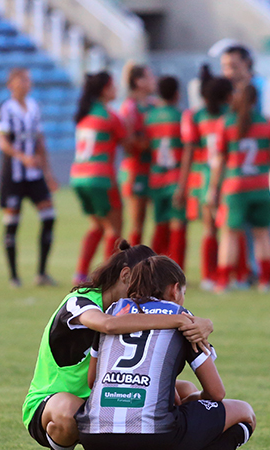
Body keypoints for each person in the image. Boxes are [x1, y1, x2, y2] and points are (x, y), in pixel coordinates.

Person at [22, 241, 214, 450]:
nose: (147, 292)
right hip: (51, 405)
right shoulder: (79, 302)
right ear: (125, 276)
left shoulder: (134, 310)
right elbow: (108, 325)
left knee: (186, 391)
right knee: (69, 410)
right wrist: (181, 318)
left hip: (104, 401)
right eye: (140, 281)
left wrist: (203, 323)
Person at [77, 256, 256, 450]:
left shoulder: (112, 313)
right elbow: (216, 392)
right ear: (174, 289)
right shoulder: (181, 317)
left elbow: (92, 380)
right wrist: (191, 403)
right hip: (153, 443)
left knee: (113, 402)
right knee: (245, 413)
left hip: (94, 440)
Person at [208, 83, 270, 293]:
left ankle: (223, 282)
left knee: (230, 235)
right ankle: (265, 281)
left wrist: (213, 188)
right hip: (260, 186)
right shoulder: (267, 124)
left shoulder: (226, 124)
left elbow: (220, 161)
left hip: (235, 187)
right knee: (262, 234)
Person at [220, 44, 270, 285]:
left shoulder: (262, 90)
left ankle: (236, 277)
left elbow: (220, 156)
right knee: (260, 230)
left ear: (247, 65)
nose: (228, 71)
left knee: (239, 232)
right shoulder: (258, 119)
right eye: (225, 66)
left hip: (237, 179)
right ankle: (259, 275)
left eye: (233, 66)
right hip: (258, 176)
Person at [0, 68, 58, 288]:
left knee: (49, 215)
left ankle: (41, 273)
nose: (26, 83)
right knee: (12, 223)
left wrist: (48, 173)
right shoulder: (5, 108)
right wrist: (23, 157)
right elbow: (2, 142)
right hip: (13, 175)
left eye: (28, 80)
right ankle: (14, 277)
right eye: (21, 79)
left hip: (34, 174)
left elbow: (40, 141)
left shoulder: (34, 106)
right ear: (10, 83)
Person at [70, 72, 135, 285]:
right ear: (105, 90)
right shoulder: (111, 116)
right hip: (100, 177)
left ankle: (80, 273)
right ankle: (107, 277)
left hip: (79, 176)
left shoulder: (85, 115)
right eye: (113, 85)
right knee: (114, 228)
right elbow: (129, 146)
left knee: (97, 225)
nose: (116, 89)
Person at [176, 66, 233, 291]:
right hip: (228, 174)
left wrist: (183, 184)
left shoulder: (195, 116)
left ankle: (210, 275)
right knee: (231, 228)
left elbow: (189, 152)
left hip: (204, 176)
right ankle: (231, 275)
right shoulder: (231, 116)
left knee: (209, 228)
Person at [145, 76, 187, 269]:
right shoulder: (181, 117)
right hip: (176, 178)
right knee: (178, 224)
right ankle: (176, 270)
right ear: (177, 94)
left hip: (156, 178)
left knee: (159, 224)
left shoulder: (150, 117)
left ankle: (153, 269)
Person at [118, 63, 157, 247]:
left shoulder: (155, 106)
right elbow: (128, 142)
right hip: (136, 170)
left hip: (155, 170)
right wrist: (150, 144)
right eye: (149, 77)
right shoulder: (129, 108)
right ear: (138, 82)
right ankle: (132, 266)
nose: (153, 81)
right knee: (137, 224)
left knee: (161, 221)